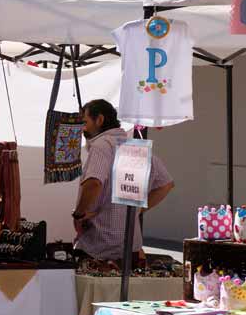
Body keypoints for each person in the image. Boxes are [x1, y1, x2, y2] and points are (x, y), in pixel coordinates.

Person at [73, 99, 175, 261]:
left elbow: (94, 183)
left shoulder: (102, 145)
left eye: (85, 122)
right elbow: (166, 184)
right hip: (130, 247)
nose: (82, 128)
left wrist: (78, 215)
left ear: (99, 120)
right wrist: (139, 210)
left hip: (99, 248)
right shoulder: (134, 146)